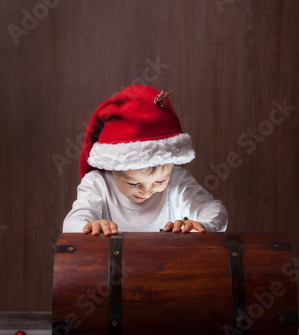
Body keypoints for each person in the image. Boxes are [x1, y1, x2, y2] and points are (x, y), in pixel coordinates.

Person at [62, 85, 228, 235]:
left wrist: (202, 225)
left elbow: (214, 210)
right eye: (134, 184)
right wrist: (87, 228)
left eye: (159, 181)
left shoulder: (176, 180)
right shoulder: (98, 184)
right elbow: (72, 223)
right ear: (112, 167)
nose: (147, 192)